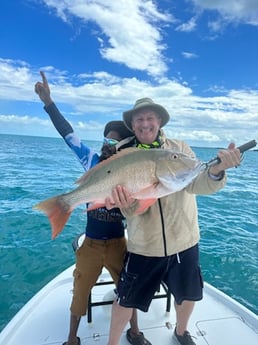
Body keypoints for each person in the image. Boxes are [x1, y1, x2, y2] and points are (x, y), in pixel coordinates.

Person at [104, 98, 241, 345]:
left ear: (159, 122)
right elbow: (130, 210)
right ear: (133, 126)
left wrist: (217, 171)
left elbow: (198, 183)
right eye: (139, 120)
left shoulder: (180, 149)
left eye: (150, 118)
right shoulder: (124, 157)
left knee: (188, 295)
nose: (145, 124)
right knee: (126, 298)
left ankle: (181, 331)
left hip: (184, 240)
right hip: (144, 246)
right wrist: (126, 205)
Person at [34, 73, 151, 345]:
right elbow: (68, 134)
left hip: (118, 242)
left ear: (124, 146)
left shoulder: (135, 170)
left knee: (128, 289)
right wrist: (48, 102)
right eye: (104, 140)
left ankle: (134, 331)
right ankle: (72, 339)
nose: (105, 144)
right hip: (92, 243)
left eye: (112, 142)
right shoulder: (91, 161)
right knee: (80, 290)